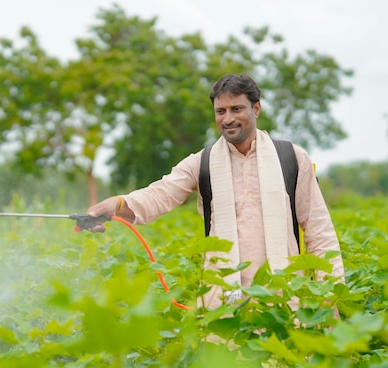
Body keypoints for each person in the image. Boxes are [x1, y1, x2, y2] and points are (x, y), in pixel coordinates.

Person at [86, 74, 344, 309]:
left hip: (285, 299)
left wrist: (329, 296)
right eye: (220, 111)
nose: (228, 118)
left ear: (256, 108)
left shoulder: (291, 157)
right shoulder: (203, 162)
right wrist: (116, 205)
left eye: (236, 109)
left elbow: (319, 230)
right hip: (223, 303)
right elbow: (159, 194)